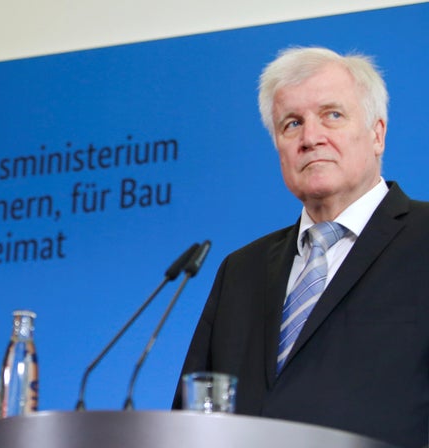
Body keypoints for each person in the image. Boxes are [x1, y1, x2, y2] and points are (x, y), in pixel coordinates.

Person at [172, 47, 429, 448]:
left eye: (333, 115)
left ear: (377, 133)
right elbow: (189, 422)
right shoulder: (240, 271)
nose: (311, 138)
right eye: (292, 124)